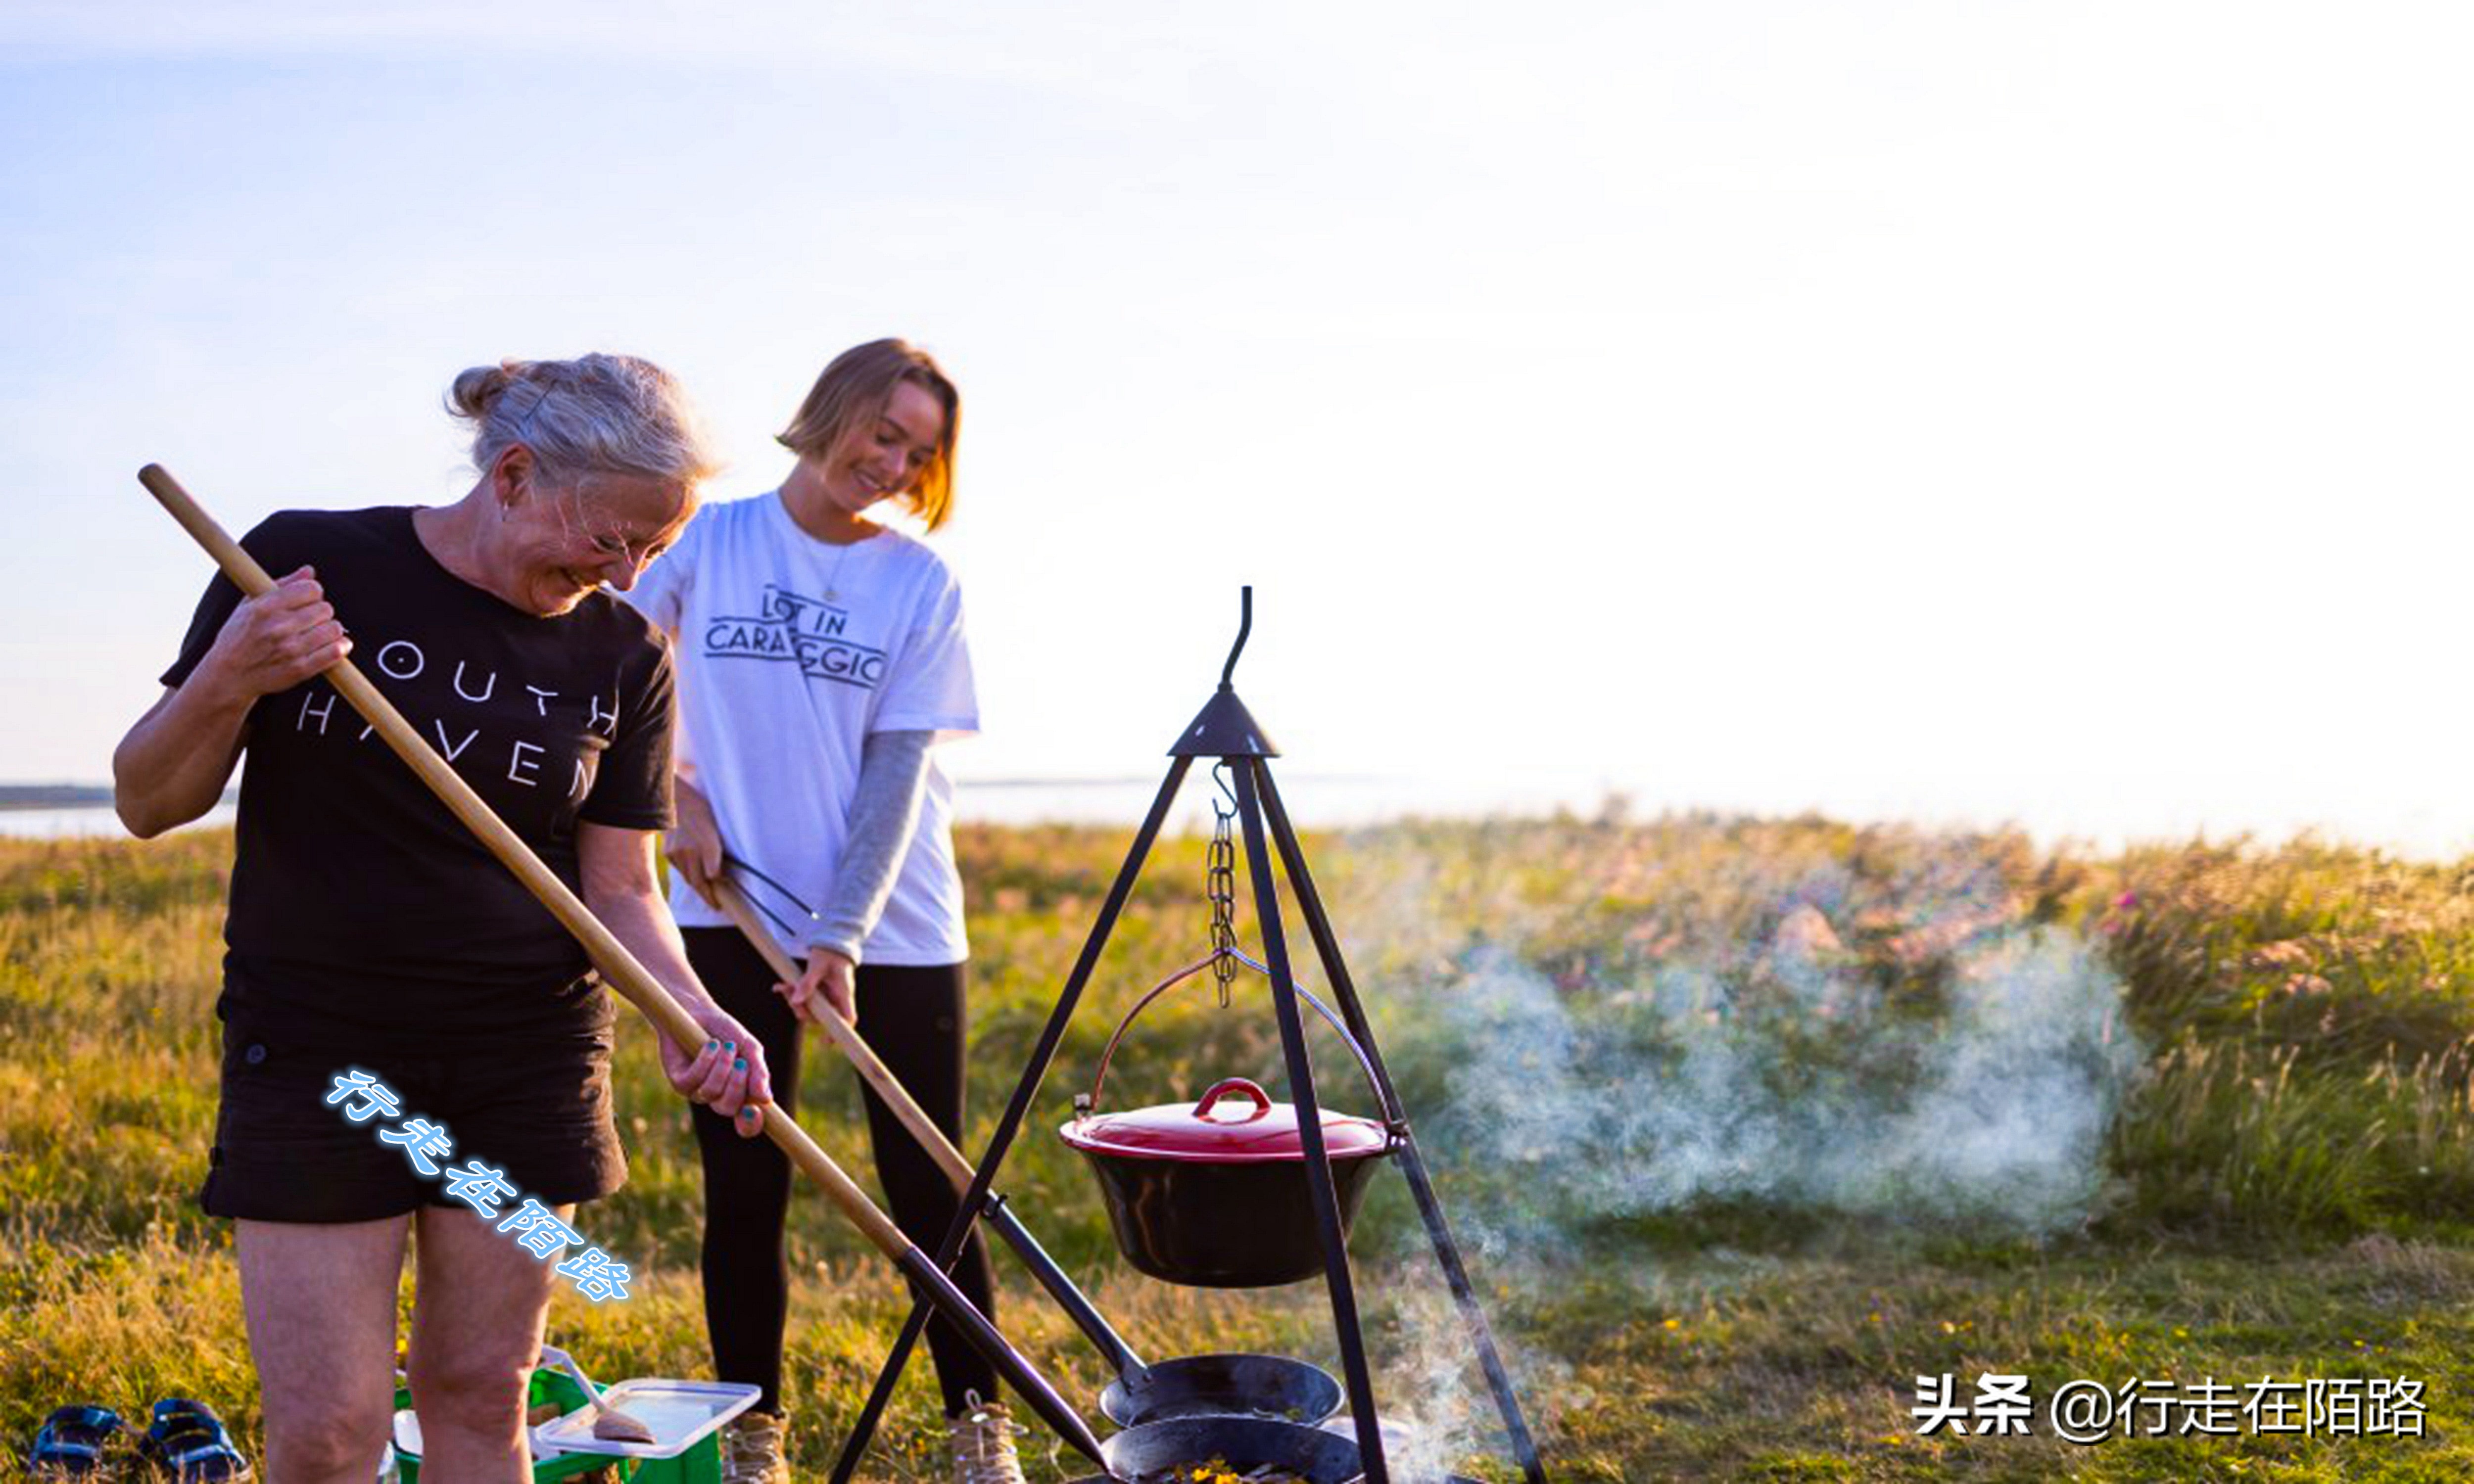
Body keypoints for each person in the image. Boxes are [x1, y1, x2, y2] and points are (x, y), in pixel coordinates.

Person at [112, 355, 776, 1484]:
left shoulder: (624, 655)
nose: (621, 571)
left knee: (481, 1399)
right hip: (328, 1063)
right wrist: (235, 671)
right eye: (608, 537)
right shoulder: (305, 564)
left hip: (524, 1069)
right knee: (329, 1435)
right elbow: (145, 800)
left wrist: (688, 1013)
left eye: (652, 551)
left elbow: (617, 890)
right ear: (514, 475)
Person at [624, 338, 1017, 1484]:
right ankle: (754, 1432)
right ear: (832, 412)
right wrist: (672, 794)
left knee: (926, 1179)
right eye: (882, 432)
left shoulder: (917, 584)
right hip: (722, 905)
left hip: (892, 921)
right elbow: (618, 680)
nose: (892, 462)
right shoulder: (710, 538)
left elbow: (899, 770)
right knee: (745, 1181)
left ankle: (976, 1425)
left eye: (919, 449)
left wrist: (841, 933)